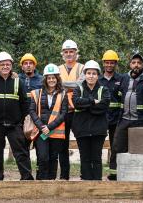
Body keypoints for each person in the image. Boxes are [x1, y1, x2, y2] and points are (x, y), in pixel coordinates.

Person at [0, 51, 34, 180]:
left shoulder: (17, 82)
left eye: (8, 64)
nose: (5, 67)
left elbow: (24, 104)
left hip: (15, 125)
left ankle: (27, 178)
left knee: (21, 152)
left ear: (11, 66)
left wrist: (23, 121)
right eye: (2, 64)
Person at [109, 53, 143, 180]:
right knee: (117, 146)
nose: (136, 65)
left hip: (142, 122)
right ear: (130, 64)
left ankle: (140, 177)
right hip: (124, 120)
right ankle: (114, 174)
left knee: (141, 150)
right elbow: (118, 96)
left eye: (139, 63)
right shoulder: (124, 78)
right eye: (134, 62)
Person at [72, 60, 110, 180]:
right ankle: (86, 181)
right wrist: (93, 101)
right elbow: (76, 103)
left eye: (94, 73)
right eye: (89, 73)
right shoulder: (78, 88)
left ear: (98, 75)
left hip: (98, 130)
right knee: (85, 157)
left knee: (96, 157)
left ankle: (97, 182)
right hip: (81, 129)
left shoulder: (104, 89)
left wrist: (86, 106)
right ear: (85, 74)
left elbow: (104, 106)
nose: (91, 76)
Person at [29, 63, 68, 180]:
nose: (51, 80)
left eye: (53, 78)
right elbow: (32, 111)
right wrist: (42, 127)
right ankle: (41, 181)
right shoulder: (37, 93)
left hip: (55, 132)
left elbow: (63, 113)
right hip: (41, 132)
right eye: (49, 78)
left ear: (57, 79)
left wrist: (49, 127)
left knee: (53, 158)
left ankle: (51, 183)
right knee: (43, 157)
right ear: (45, 79)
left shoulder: (63, 94)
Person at [58, 39, 84, 180]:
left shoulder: (82, 68)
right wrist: (72, 85)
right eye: (66, 52)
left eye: (71, 52)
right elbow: (55, 85)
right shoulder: (58, 68)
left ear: (76, 53)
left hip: (78, 112)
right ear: (63, 54)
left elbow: (81, 85)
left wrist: (62, 84)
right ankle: (64, 176)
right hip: (62, 112)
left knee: (82, 143)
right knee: (62, 146)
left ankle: (84, 174)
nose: (69, 54)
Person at [98, 50, 123, 180]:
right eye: (107, 62)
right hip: (100, 119)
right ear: (103, 64)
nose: (109, 65)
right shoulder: (98, 80)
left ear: (115, 64)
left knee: (116, 146)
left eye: (112, 63)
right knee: (97, 146)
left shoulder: (121, 79)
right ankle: (95, 173)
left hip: (116, 119)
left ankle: (114, 173)